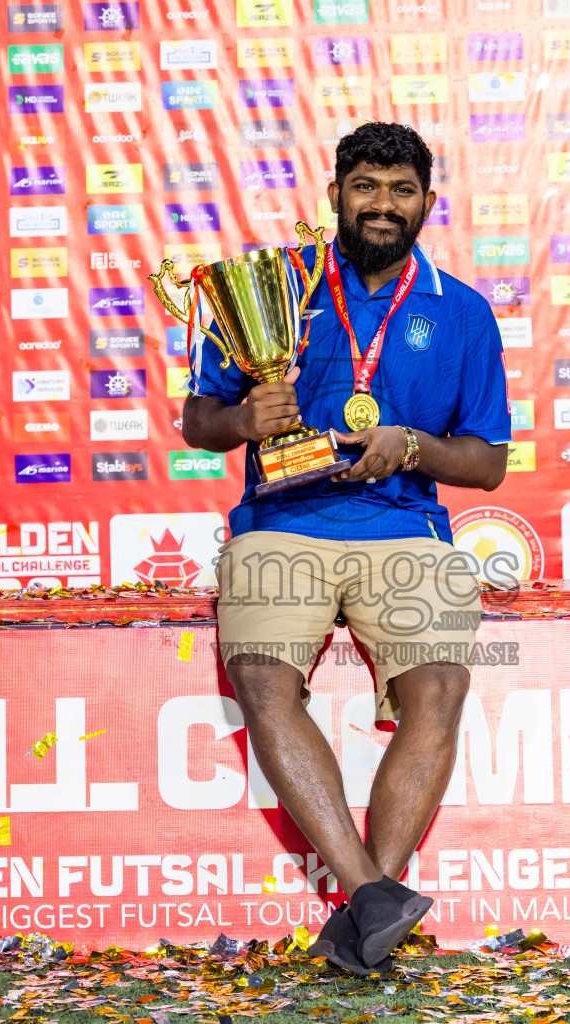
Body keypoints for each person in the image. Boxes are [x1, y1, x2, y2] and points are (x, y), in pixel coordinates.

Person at [181, 122, 513, 973]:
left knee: (438, 684)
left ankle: (367, 907)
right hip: (282, 523)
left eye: (402, 191)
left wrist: (411, 447)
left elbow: (487, 463)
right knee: (260, 674)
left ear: (428, 205)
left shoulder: (463, 312)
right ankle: (373, 896)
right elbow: (199, 423)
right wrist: (243, 420)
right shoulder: (270, 287)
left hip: (407, 527)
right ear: (334, 194)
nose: (383, 205)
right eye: (365, 186)